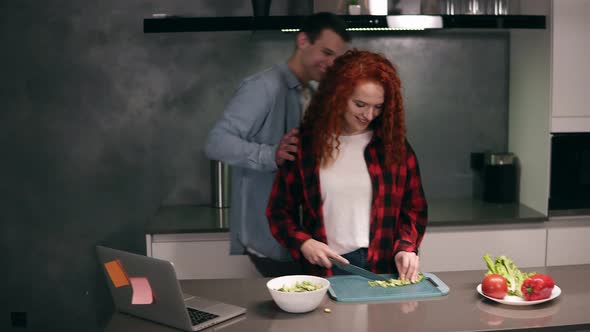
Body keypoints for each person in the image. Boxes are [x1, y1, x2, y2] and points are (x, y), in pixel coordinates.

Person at [205, 13, 351, 277]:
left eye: (336, 59)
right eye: (326, 52)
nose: (331, 64)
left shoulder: (312, 94)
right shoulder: (263, 87)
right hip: (270, 238)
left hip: (299, 237)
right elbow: (217, 142)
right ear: (303, 40)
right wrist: (271, 154)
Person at [266, 49, 428, 281]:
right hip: (326, 269)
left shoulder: (394, 147)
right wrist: (304, 243)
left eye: (378, 107)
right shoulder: (305, 146)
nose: (369, 115)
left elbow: (414, 209)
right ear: (337, 96)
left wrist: (406, 248)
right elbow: (279, 212)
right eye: (360, 104)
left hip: (384, 267)